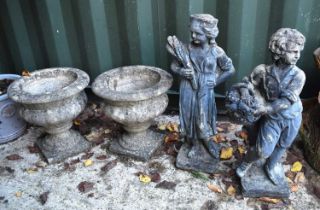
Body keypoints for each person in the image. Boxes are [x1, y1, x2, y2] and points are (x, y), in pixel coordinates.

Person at [236, 28, 306, 185]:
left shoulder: (298, 75)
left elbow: (287, 101)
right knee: (263, 150)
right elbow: (246, 83)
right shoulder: (263, 71)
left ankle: (271, 166)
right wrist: (246, 94)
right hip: (272, 118)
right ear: (280, 50)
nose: (297, 55)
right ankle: (247, 161)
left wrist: (265, 108)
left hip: (292, 116)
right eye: (293, 51)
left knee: (284, 144)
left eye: (299, 51)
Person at [169, 14, 235, 159]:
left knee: (201, 119)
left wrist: (216, 80)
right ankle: (194, 144)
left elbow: (230, 70)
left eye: (198, 33)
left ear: (209, 33)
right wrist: (181, 71)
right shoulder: (186, 48)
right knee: (188, 117)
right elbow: (173, 65)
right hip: (188, 87)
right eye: (192, 32)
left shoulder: (217, 51)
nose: (193, 36)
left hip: (205, 89)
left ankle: (207, 142)